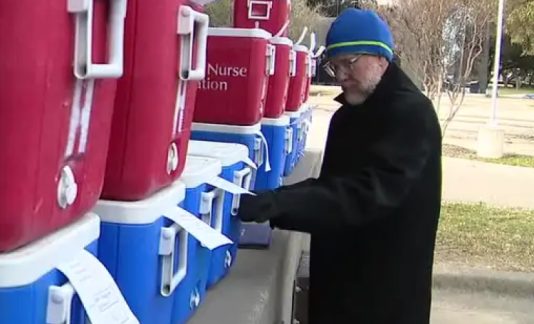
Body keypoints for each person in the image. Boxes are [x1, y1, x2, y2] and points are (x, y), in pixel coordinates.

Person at [237, 8, 443, 324]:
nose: (342, 75)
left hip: (381, 299)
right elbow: (330, 186)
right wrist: (274, 199)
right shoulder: (347, 115)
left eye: (350, 63)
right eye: (335, 66)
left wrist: (278, 204)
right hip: (339, 289)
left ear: (381, 57)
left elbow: (364, 195)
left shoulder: (411, 115)